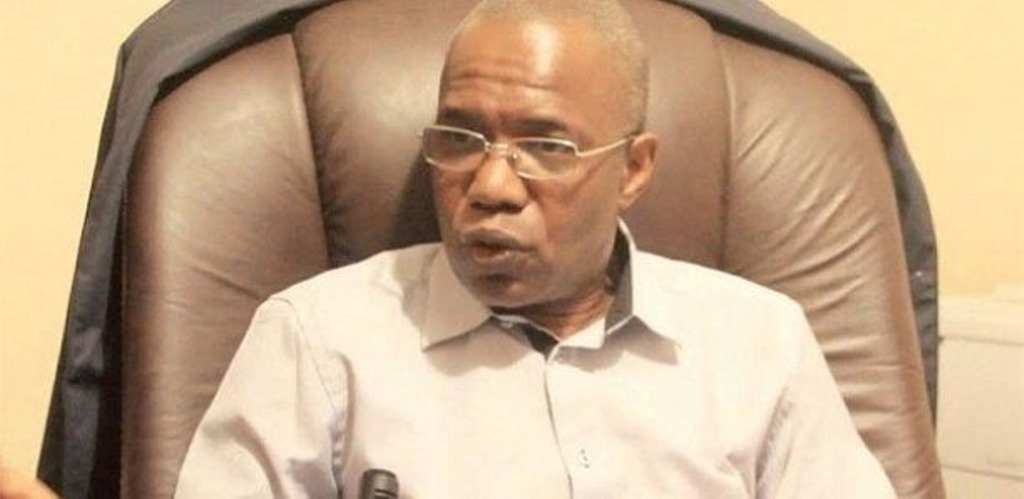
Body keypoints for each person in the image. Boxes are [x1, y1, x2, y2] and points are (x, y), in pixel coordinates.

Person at [175, 0, 895, 496]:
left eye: (547, 147)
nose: (490, 185)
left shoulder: (760, 344)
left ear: (633, 169)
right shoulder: (318, 341)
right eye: (460, 139)